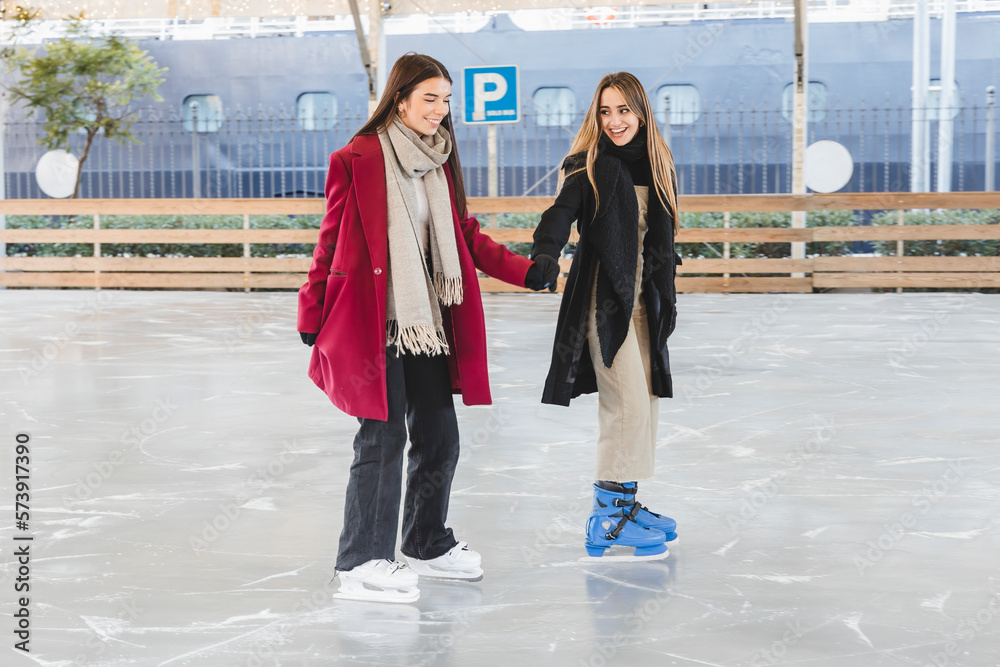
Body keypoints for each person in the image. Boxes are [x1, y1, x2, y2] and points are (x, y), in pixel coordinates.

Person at [297, 53, 557, 603]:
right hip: (375, 322)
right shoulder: (356, 158)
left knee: (439, 434)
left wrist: (527, 272)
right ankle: (361, 561)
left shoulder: (440, 159)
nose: (440, 110)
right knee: (383, 438)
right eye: (429, 99)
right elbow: (330, 240)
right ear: (400, 100)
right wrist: (310, 310)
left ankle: (426, 541)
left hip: (427, 322)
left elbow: (465, 237)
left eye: (446, 100)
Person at [530, 72, 681, 561]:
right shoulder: (588, 164)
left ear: (641, 112)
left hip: (643, 303)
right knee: (627, 406)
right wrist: (546, 253)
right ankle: (607, 521)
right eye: (604, 111)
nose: (614, 121)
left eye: (623, 110)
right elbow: (560, 212)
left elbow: (656, 234)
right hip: (603, 304)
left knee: (646, 406)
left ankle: (627, 506)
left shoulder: (659, 166)